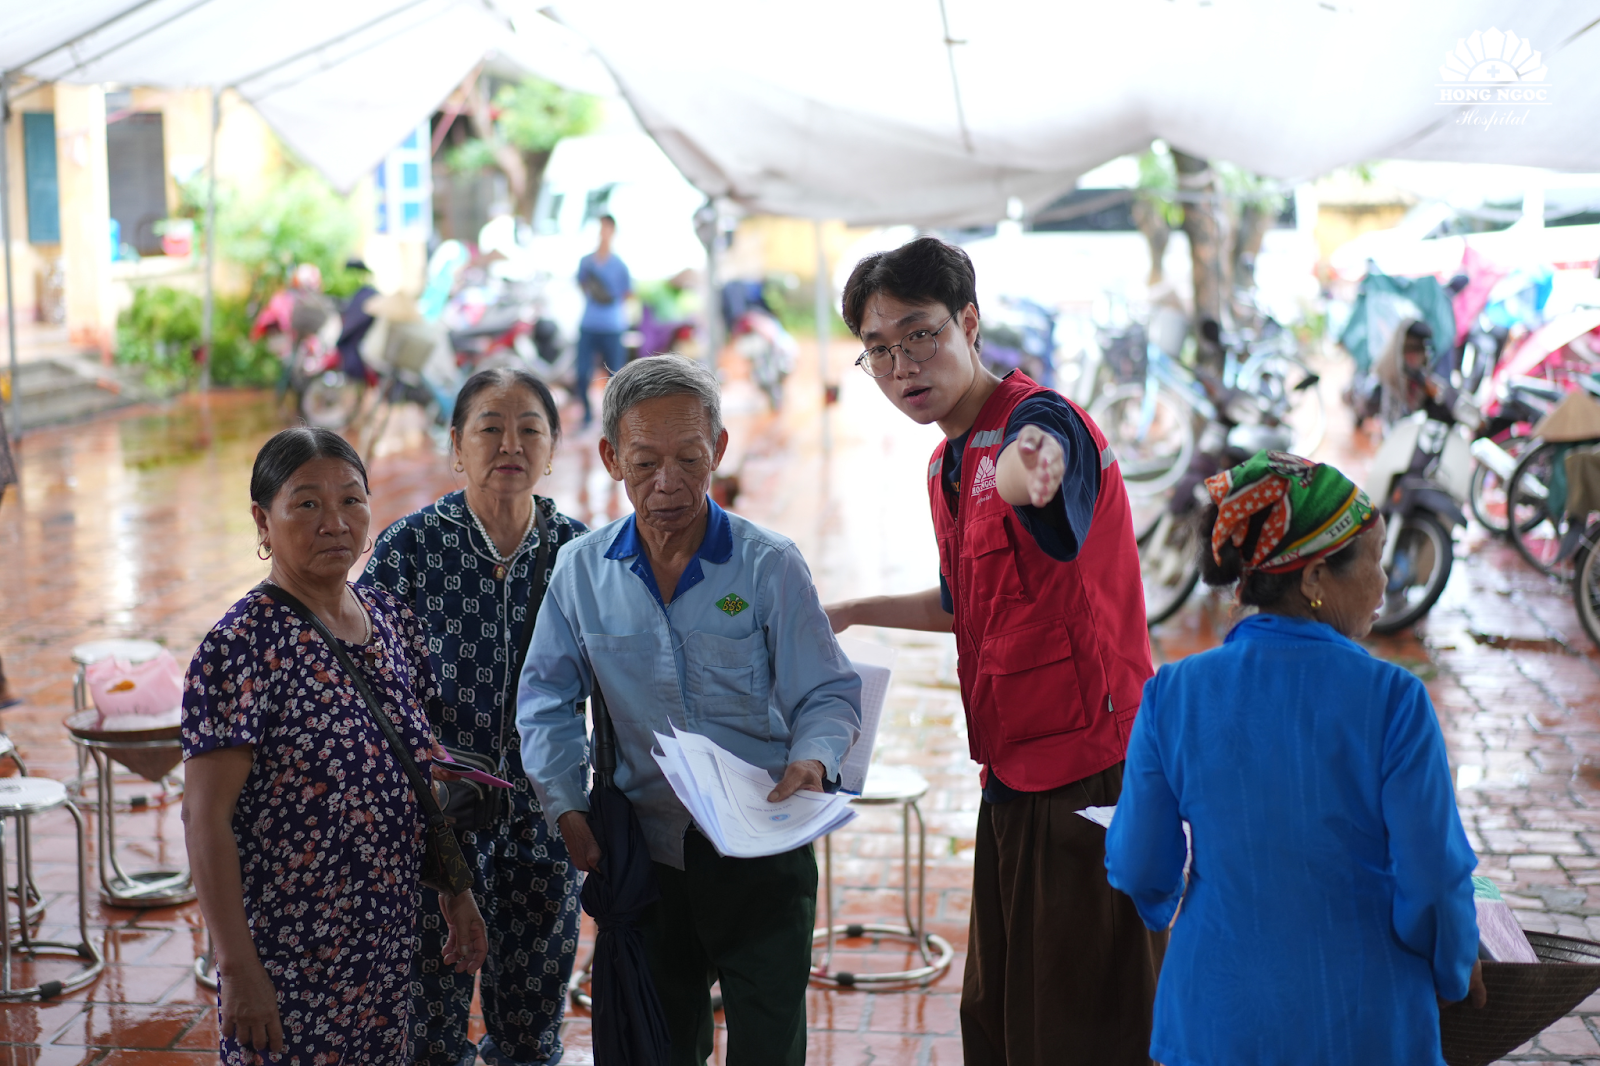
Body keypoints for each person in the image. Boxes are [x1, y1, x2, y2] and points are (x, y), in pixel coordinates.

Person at [824, 236, 1162, 1065]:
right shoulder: (945, 461)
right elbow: (964, 602)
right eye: (879, 348)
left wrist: (1030, 475)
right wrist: (851, 610)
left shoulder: (1042, 423)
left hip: (1092, 775)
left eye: (921, 334)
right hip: (1010, 774)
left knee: (1086, 1024)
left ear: (968, 322)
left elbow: (1036, 476)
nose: (903, 363)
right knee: (1006, 1018)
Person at [518, 355, 862, 1066]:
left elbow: (827, 692)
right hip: (649, 859)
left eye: (689, 459)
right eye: (644, 462)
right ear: (611, 456)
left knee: (770, 1045)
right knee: (661, 1045)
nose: (668, 483)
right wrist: (566, 808)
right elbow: (547, 699)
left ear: (720, 452)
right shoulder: (583, 571)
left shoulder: (769, 566)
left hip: (765, 856)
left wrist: (813, 757)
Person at [1104, 450, 1485, 1065]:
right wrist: (1454, 972)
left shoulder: (1174, 694)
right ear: (1312, 579)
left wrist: (1170, 905)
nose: (1385, 582)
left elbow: (1139, 862)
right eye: (1374, 560)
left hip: (1214, 1021)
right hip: (1363, 1024)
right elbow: (1435, 885)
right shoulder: (1394, 702)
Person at [181, 427, 488, 1066]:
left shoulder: (390, 618)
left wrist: (456, 891)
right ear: (263, 520)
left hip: (385, 945)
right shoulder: (240, 648)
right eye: (307, 504)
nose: (335, 522)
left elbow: (420, 769)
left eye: (352, 500)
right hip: (287, 958)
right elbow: (204, 819)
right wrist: (237, 969)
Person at [363, 368, 587, 1066]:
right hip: (439, 816)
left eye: (530, 428)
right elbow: (371, 682)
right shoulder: (408, 548)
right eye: (490, 427)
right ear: (457, 445)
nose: (509, 443)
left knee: (531, 1020)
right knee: (431, 1020)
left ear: (552, 448)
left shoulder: (581, 553)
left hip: (546, 812)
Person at [575, 213, 632, 427]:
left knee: (614, 376)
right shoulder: (586, 262)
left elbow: (627, 293)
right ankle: (587, 415)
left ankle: (612, 419)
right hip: (589, 325)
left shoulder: (619, 265)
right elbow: (581, 286)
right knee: (582, 373)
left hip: (613, 327)